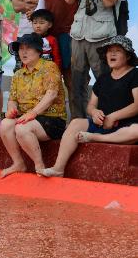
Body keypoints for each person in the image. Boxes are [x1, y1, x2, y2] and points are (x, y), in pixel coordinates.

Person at [41, 36, 138, 177]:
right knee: (75, 123)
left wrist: (114, 116)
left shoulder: (135, 74)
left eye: (117, 51)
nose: (112, 54)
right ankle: (58, 168)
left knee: (136, 131)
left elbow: (137, 105)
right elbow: (91, 105)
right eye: (109, 51)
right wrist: (94, 112)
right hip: (102, 123)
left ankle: (95, 137)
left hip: (127, 125)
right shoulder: (103, 78)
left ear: (128, 56)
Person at [66, 0, 129, 119]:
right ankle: (78, 122)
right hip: (78, 34)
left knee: (105, 81)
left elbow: (110, 2)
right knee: (77, 82)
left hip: (103, 37)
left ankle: (107, 121)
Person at [0, 33, 67, 178]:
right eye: (21, 48)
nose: (23, 52)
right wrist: (11, 109)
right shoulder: (18, 73)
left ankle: (39, 165)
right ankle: (18, 163)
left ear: (38, 51)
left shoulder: (49, 67)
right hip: (28, 118)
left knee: (22, 127)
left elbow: (51, 95)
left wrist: (34, 112)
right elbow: (12, 99)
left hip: (52, 119)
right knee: (5, 124)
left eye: (28, 48)